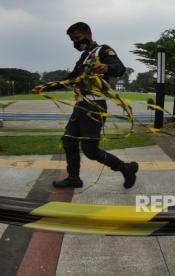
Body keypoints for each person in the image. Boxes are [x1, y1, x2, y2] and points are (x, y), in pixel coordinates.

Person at [32, 22, 139, 189]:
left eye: (77, 38)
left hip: (94, 106)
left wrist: (106, 67)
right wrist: (45, 87)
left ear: (88, 34)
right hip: (81, 105)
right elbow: (71, 79)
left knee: (90, 150)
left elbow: (119, 68)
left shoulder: (102, 50)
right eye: (72, 40)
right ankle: (74, 178)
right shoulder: (84, 57)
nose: (75, 43)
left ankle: (126, 168)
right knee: (68, 141)